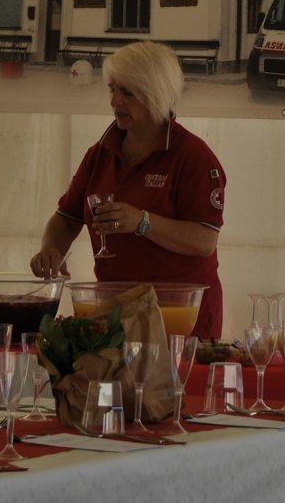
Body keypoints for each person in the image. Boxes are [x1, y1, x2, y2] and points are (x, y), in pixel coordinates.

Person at [30, 41, 226, 339]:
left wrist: (142, 222)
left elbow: (204, 240)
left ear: (157, 95)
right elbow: (67, 217)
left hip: (177, 318)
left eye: (127, 93)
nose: (115, 102)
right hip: (115, 314)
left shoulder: (193, 156)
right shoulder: (100, 154)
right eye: (111, 89)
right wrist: (51, 250)